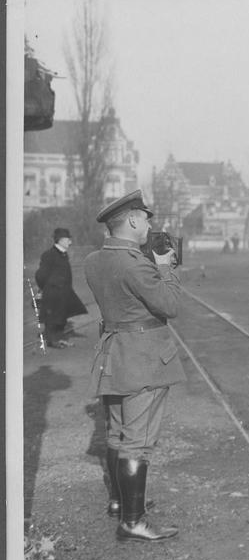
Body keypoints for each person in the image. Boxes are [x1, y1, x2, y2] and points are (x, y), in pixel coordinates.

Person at [84, 189, 185, 542]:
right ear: (131, 220)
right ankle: (133, 520)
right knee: (137, 443)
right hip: (144, 359)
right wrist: (165, 269)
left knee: (115, 433)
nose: (148, 225)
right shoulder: (137, 263)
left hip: (113, 355)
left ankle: (118, 502)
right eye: (145, 218)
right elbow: (170, 306)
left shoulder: (94, 260)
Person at [34, 227, 88, 348]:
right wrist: (47, 289)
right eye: (68, 240)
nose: (70, 242)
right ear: (61, 240)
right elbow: (40, 275)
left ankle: (59, 339)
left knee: (61, 317)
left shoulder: (63, 254)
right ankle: (53, 341)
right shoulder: (49, 255)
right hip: (53, 293)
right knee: (52, 318)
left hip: (63, 293)